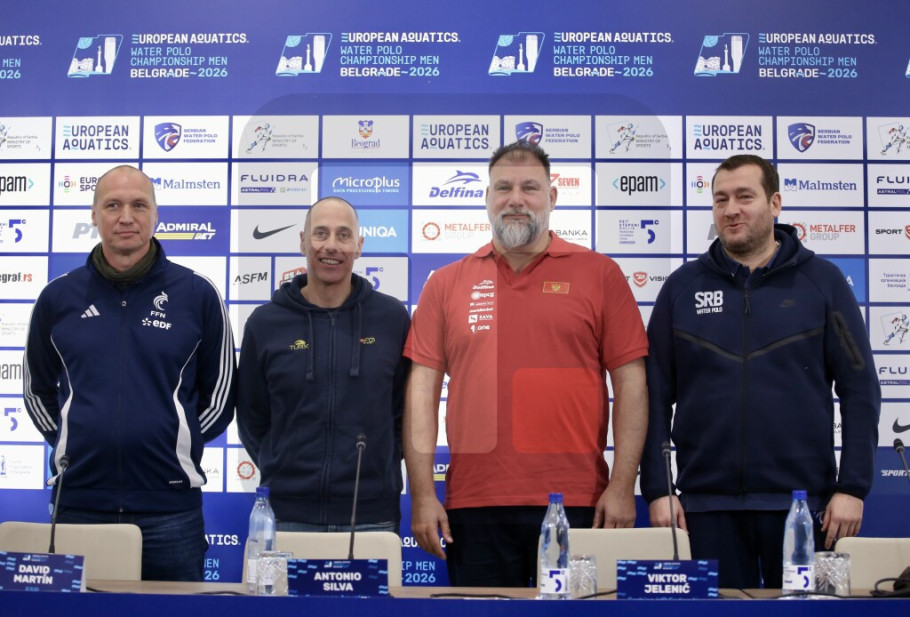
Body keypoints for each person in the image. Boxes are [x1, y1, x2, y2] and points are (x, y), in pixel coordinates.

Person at [404, 141, 649, 587]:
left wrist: (621, 485)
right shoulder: (445, 284)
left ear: (551, 197)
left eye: (530, 188)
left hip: (577, 502)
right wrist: (422, 494)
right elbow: (421, 396)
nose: (516, 199)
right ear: (487, 198)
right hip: (473, 506)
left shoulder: (600, 274)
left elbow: (631, 384)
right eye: (504, 188)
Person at [641, 154, 880, 589]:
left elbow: (860, 389)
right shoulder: (681, 288)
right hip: (705, 509)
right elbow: (653, 396)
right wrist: (659, 489)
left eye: (744, 197)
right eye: (721, 199)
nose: (731, 209)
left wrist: (852, 487)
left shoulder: (823, 283)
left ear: (774, 203)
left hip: (803, 507)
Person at [23, 165, 236, 581]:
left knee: (174, 614)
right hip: (79, 506)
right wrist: (74, 442)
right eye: (112, 205)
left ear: (155, 215)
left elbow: (221, 396)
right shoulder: (57, 297)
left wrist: (174, 444)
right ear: (94, 215)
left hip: (170, 512)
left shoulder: (197, 294)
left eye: (139, 205)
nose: (126, 217)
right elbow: (36, 391)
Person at [237, 197, 410, 533]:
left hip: (371, 515)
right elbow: (251, 417)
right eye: (320, 233)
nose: (331, 245)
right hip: (286, 515)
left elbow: (405, 412)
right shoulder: (265, 323)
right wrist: (283, 463)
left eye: (344, 235)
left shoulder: (391, 318)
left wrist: (381, 461)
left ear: (359, 246)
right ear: (303, 242)